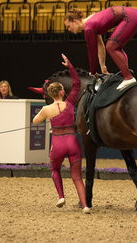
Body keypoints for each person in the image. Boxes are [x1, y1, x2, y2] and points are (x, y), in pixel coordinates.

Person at [32, 54, 90, 214]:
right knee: (77, 177)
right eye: (64, 88)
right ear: (62, 92)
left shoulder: (46, 109)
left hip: (57, 144)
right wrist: (70, 66)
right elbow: (77, 83)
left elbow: (35, 121)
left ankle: (61, 196)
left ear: (51, 94)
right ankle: (85, 205)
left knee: (55, 170)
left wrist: (44, 116)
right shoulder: (70, 102)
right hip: (72, 142)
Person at [64, 7, 137, 90]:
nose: (68, 29)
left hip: (130, 17)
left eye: (68, 26)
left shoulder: (89, 28)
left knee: (111, 46)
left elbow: (92, 54)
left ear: (75, 22)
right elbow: (100, 46)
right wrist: (103, 66)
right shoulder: (90, 22)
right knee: (115, 46)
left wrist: (93, 72)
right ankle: (126, 74)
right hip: (133, 15)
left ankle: (128, 77)